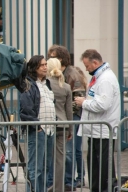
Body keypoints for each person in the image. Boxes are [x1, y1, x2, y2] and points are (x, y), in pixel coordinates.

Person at [75, 49, 120, 192]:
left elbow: (103, 104)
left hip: (103, 130)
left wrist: (84, 102)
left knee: (103, 167)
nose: (86, 69)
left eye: (87, 66)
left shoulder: (105, 79)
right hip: (96, 130)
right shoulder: (99, 77)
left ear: (95, 62)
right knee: (95, 166)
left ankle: (105, 189)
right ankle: (97, 188)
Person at [47, 44, 87, 189]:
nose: (50, 60)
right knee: (64, 152)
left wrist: (65, 108)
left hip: (72, 117)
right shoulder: (54, 75)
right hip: (64, 117)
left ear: (61, 58)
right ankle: (60, 181)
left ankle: (71, 182)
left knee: (70, 152)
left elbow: (79, 99)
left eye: (53, 57)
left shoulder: (72, 74)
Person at [20, 55, 55, 192]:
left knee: (45, 168)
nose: (46, 67)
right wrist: (37, 127)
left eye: (46, 64)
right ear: (34, 68)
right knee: (35, 169)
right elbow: (26, 109)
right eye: (42, 65)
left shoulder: (47, 84)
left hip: (49, 130)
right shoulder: (28, 84)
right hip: (38, 131)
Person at [46, 58, 73, 192]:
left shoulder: (45, 85)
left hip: (47, 125)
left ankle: (43, 186)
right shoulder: (66, 87)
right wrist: (70, 130)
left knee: (44, 158)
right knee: (60, 160)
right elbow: (69, 111)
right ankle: (58, 188)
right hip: (62, 126)